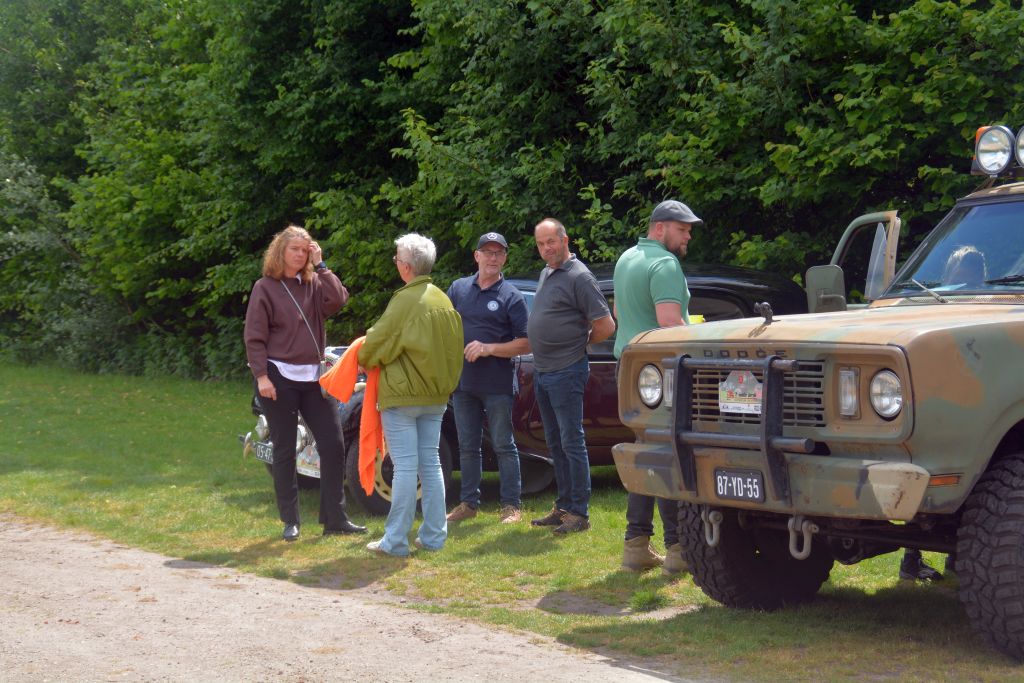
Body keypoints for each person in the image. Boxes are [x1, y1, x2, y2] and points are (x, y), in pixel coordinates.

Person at [244, 224, 366, 542]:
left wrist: (322, 265)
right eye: (294, 249)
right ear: (280, 252)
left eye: (305, 250)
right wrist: (262, 377)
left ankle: (335, 518)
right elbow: (254, 337)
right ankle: (291, 520)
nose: (300, 255)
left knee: (333, 444)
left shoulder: (314, 283)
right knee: (285, 449)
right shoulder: (265, 287)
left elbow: (339, 299)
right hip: (278, 379)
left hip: (313, 379)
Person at [359, 233, 464, 557]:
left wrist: (364, 359)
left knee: (404, 466)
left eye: (396, 259)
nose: (395, 263)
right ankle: (433, 537)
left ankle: (395, 541)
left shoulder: (405, 300)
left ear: (405, 267)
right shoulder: (442, 299)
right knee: (429, 463)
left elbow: (375, 344)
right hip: (436, 397)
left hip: (403, 399)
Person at [612, 199, 701, 575]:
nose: (687, 237)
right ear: (660, 228)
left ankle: (636, 546)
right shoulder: (664, 264)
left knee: (645, 453)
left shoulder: (626, 258)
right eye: (683, 230)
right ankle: (678, 549)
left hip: (630, 367)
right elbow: (669, 323)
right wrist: (700, 335)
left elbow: (618, 314)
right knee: (667, 457)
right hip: (659, 372)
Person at [528, 218, 616, 534]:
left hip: (567, 371)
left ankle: (579, 513)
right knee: (555, 442)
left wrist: (577, 343)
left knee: (571, 441)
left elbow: (606, 326)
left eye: (551, 241)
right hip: (544, 370)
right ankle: (564, 506)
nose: (546, 248)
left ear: (565, 240)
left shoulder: (580, 277)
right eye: (540, 243)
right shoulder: (546, 273)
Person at [445, 232, 531, 525]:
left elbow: (527, 342)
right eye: (488, 252)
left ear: (505, 257)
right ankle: (468, 504)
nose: (493, 257)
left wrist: (489, 348)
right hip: (463, 384)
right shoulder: (457, 289)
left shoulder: (512, 296)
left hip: (497, 385)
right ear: (477, 256)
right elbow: (443, 329)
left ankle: (511, 506)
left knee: (503, 445)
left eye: (499, 253)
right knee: (467, 446)